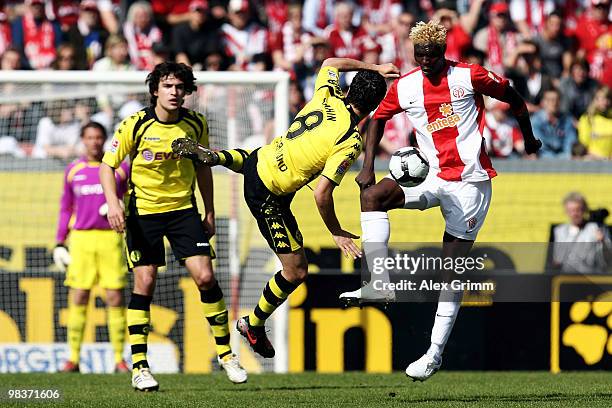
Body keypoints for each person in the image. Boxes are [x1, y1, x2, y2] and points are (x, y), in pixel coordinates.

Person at [338, 21, 541, 382]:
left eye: (432, 54)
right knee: (372, 195)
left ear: (443, 51)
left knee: (451, 272)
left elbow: (513, 97)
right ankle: (380, 282)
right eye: (420, 55)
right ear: (413, 54)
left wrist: (529, 140)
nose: (426, 60)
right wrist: (367, 166)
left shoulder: (469, 76)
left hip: (469, 183)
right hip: (429, 174)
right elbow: (377, 119)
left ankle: (433, 354)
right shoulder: (406, 85)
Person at [171, 57, 399, 358]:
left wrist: (374, 67)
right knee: (296, 271)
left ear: (350, 87)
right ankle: (253, 324)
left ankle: (217, 157)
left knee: (259, 161)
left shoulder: (326, 94)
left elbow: (331, 61)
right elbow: (321, 194)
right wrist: (336, 232)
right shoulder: (349, 141)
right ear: (373, 106)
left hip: (258, 160)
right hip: (269, 196)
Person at [99, 62, 246, 391]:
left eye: (180, 87)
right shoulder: (135, 124)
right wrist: (112, 203)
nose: (175, 92)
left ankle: (226, 355)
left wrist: (209, 211)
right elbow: (107, 167)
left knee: (206, 277)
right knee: (146, 281)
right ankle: (140, 366)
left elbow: (204, 167)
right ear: (155, 90)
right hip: (143, 212)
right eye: (168, 86)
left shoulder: (196, 124)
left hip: (183, 210)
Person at [53, 122, 130, 374]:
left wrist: (121, 205)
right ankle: (72, 358)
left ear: (105, 140)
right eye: (89, 137)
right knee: (79, 296)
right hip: (82, 240)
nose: (94, 142)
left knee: (114, 297)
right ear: (83, 140)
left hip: (111, 239)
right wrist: (59, 240)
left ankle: (119, 359)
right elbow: (66, 208)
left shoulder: (119, 170)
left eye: (98, 137)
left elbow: (130, 200)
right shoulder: (73, 170)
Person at [552, 192, 611, 274]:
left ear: (584, 210)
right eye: (571, 210)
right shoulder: (560, 231)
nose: (575, 214)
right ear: (566, 211)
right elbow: (557, 259)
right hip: (566, 279)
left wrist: (602, 242)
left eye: (578, 210)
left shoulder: (596, 228)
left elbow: (608, 259)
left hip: (591, 278)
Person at [531, 88, 577, 158]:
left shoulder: (567, 119)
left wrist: (567, 156)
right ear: (543, 102)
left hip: (564, 158)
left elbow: (570, 143)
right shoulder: (535, 121)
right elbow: (540, 147)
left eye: (556, 100)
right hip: (543, 159)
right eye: (549, 100)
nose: (554, 103)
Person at [577, 86, 612, 159]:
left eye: (607, 98)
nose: (605, 102)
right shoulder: (587, 119)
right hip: (592, 161)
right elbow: (583, 143)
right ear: (595, 100)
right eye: (602, 98)